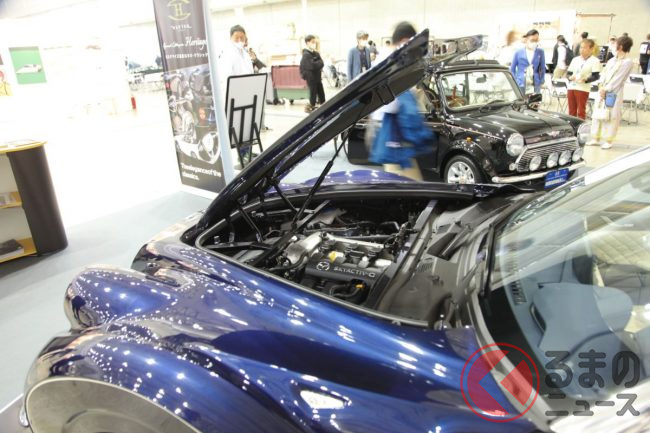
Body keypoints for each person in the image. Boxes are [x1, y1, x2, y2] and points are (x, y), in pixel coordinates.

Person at [370, 22, 434, 181]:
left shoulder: (390, 59)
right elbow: (391, 104)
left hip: (391, 128)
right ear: (405, 41)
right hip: (391, 128)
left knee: (400, 181)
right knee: (407, 184)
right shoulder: (389, 61)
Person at [589, 36, 635, 149]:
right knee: (597, 113)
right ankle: (595, 138)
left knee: (611, 116)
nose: (614, 45)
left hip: (614, 92)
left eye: (616, 44)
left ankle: (608, 140)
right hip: (602, 90)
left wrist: (606, 89)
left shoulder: (627, 62)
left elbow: (618, 79)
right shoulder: (611, 60)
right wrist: (601, 86)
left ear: (621, 46)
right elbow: (603, 74)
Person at [566, 39, 601, 119]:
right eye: (581, 47)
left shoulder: (595, 61)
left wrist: (586, 79)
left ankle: (580, 125)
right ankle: (571, 125)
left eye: (584, 48)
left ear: (591, 49)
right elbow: (568, 73)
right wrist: (570, 77)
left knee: (581, 111)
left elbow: (596, 76)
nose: (582, 50)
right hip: (572, 87)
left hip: (583, 88)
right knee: (571, 111)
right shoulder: (575, 59)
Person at [511, 29, 546, 95]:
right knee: (521, 100)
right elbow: (512, 69)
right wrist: (515, 80)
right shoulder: (518, 52)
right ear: (526, 39)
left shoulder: (540, 52)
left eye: (536, 40)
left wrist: (541, 80)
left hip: (535, 83)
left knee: (535, 101)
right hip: (521, 83)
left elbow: (542, 68)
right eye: (532, 40)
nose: (534, 42)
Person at [299, 35, 325, 113]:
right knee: (313, 95)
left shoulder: (316, 53)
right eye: (312, 42)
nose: (314, 44)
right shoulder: (306, 54)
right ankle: (311, 109)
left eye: (315, 42)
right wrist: (318, 63)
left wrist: (317, 63)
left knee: (321, 94)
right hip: (311, 78)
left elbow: (322, 63)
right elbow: (312, 66)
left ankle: (324, 108)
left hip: (317, 77)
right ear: (307, 43)